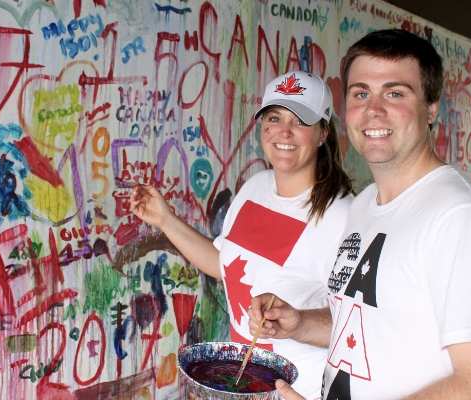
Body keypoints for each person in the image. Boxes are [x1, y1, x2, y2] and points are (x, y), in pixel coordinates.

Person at [249, 28, 471, 399]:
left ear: (431, 108)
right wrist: (299, 324)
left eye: (394, 93)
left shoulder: (463, 219)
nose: (373, 109)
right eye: (361, 93)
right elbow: (368, 327)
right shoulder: (365, 205)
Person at [130, 71, 354, 398]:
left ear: (322, 133)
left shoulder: (341, 216)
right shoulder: (255, 188)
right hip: (245, 385)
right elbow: (225, 266)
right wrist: (165, 220)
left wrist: (297, 320)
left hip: (301, 391)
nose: (284, 132)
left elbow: (358, 330)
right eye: (274, 118)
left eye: (301, 121)